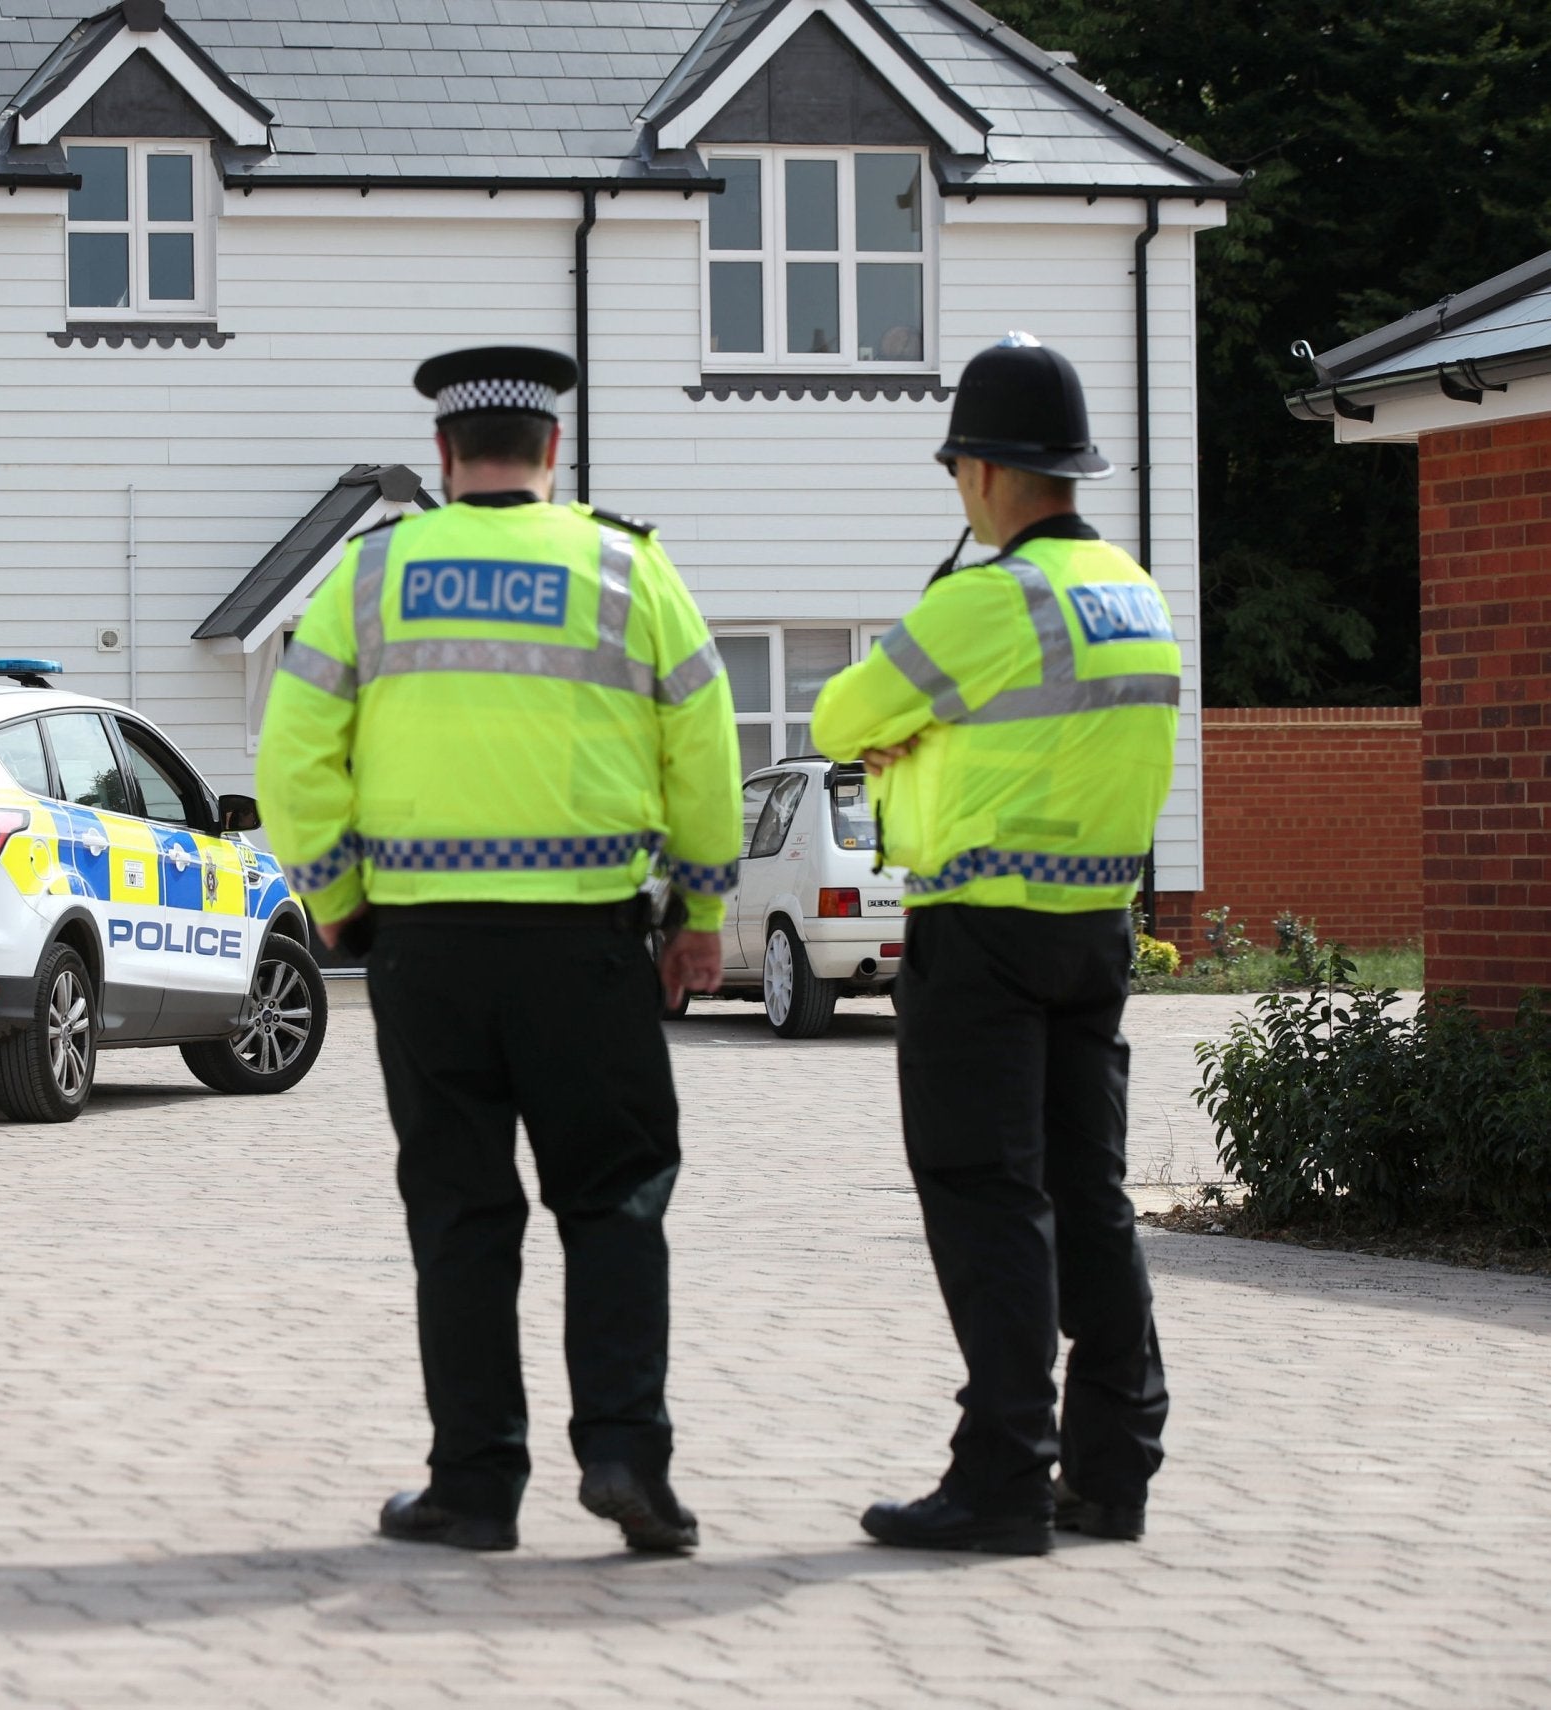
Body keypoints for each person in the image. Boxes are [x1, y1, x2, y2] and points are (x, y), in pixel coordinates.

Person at [255, 346, 743, 1554]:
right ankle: (628, 1457)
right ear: (553, 452)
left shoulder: (370, 577)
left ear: (441, 455)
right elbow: (705, 744)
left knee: (463, 1217)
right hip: (587, 947)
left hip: (428, 949)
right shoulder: (627, 568)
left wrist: (334, 900)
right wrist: (702, 914)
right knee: (616, 1201)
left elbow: (293, 750)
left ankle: (474, 1488)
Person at [811, 333, 1182, 1556]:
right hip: (1095, 929)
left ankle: (1002, 1478)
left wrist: (907, 742)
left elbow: (840, 717)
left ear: (979, 473)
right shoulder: (1137, 593)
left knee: (984, 1197)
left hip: (981, 933)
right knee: (1090, 1198)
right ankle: (1113, 1469)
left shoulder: (984, 601)